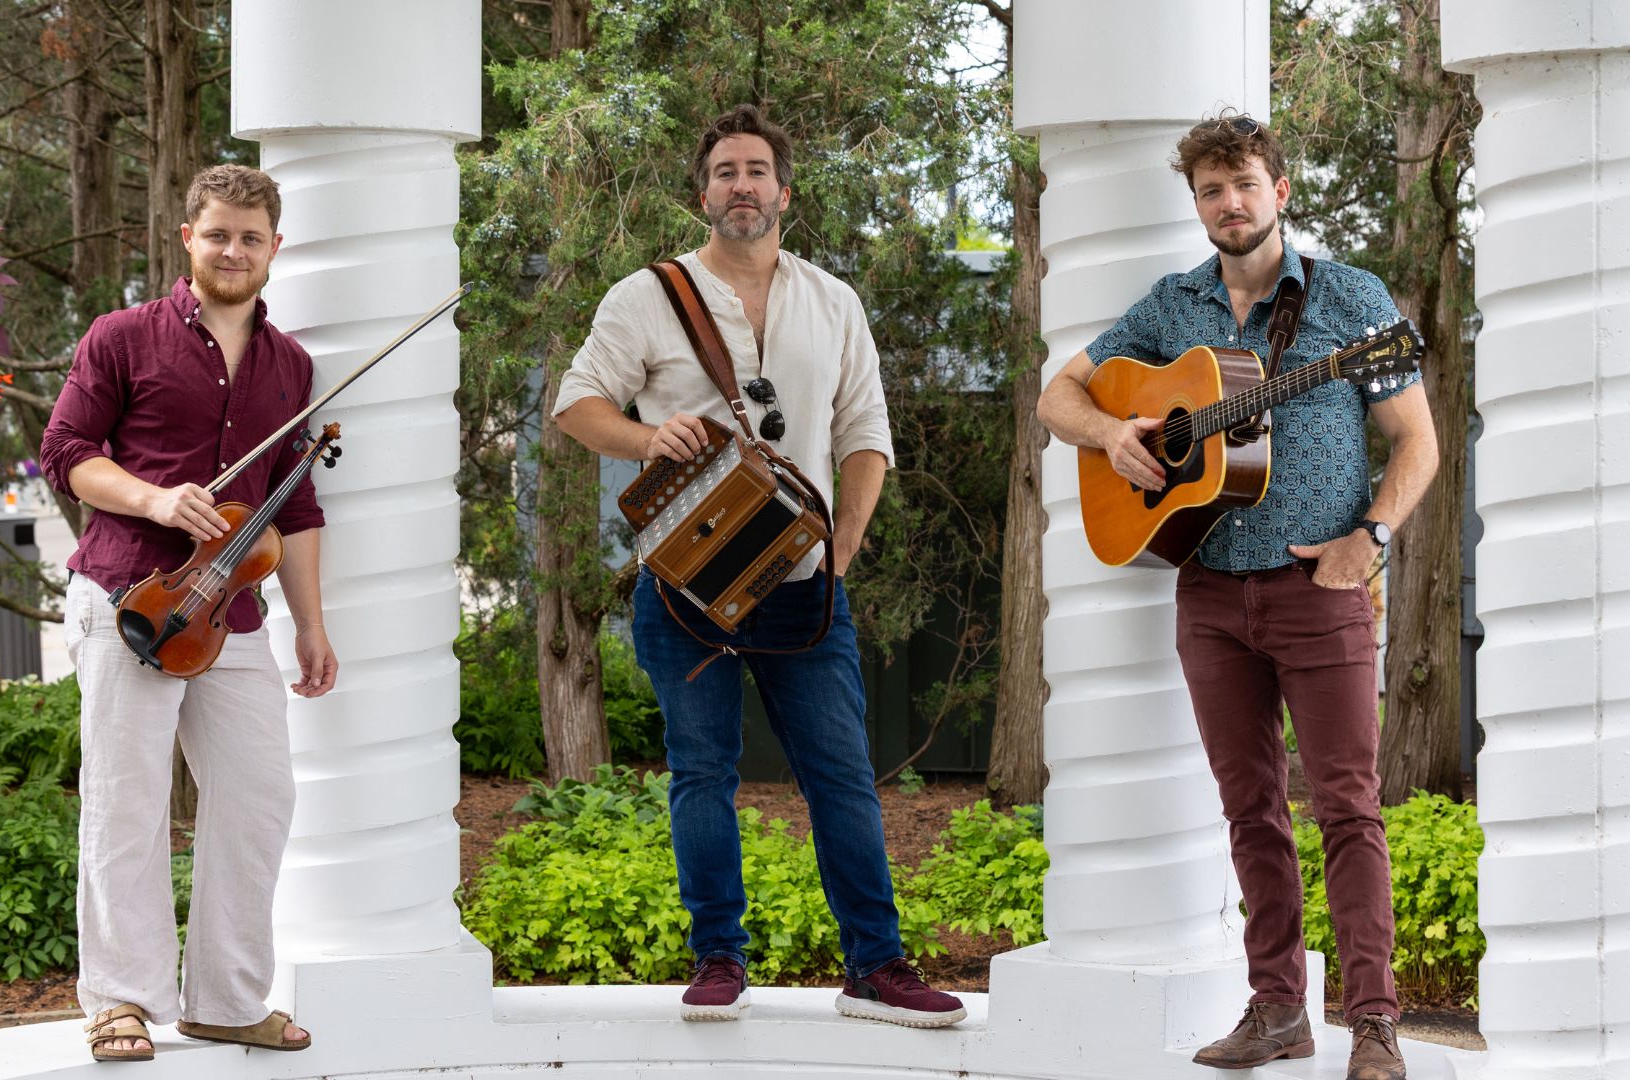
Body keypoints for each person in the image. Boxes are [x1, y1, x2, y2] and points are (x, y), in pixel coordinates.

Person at [1036, 112, 1439, 1080]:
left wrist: (1369, 538)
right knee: (1250, 809)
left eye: (1246, 184)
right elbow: (1059, 394)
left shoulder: (1350, 300)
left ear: (1281, 190)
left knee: (1348, 805)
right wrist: (1109, 436)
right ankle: (1276, 1012)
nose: (1230, 203)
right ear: (1198, 204)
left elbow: (1417, 442)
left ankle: (1373, 1025)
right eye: (1212, 191)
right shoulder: (1172, 308)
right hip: (1210, 595)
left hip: (1316, 587)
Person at [553, 104, 966, 1029]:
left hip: (802, 589)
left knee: (843, 775)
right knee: (703, 772)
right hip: (685, 588)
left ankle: (875, 967)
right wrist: (645, 432)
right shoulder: (646, 296)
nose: (742, 185)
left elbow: (865, 430)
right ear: (703, 192)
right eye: (725, 171)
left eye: (757, 171)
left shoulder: (833, 300)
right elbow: (577, 406)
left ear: (786, 190)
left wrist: (845, 537)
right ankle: (716, 961)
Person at [41, 164, 334, 1062]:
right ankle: (122, 1000)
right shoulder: (123, 337)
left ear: (275, 250)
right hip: (130, 597)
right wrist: (157, 501)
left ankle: (225, 997)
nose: (234, 251)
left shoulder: (291, 367)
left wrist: (312, 624)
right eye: (218, 235)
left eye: (251, 237)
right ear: (188, 240)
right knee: (126, 803)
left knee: (258, 798)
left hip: (234, 618)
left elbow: (296, 510)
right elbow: (66, 453)